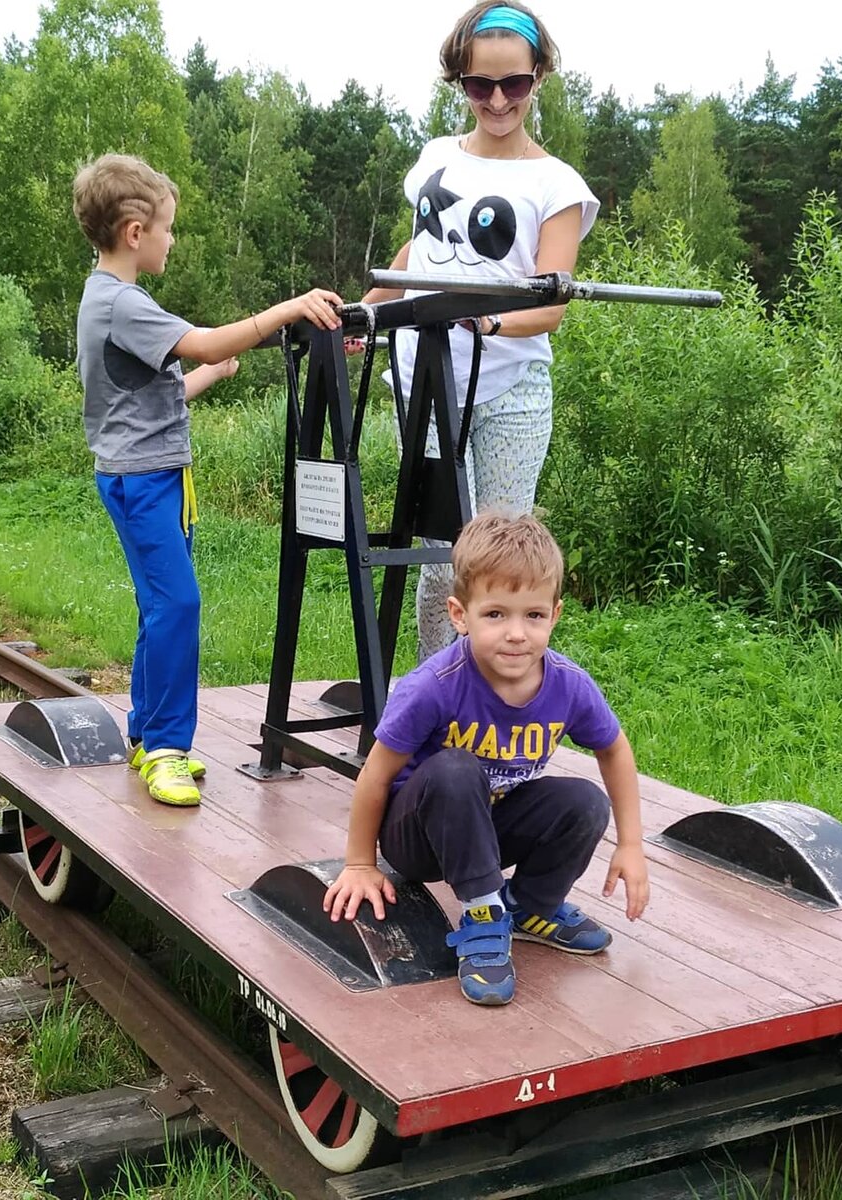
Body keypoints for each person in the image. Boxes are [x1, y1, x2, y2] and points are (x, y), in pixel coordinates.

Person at [72, 153, 342, 806]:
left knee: (160, 605)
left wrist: (212, 376)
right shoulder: (122, 303)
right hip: (143, 483)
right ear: (135, 232)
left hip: (153, 477)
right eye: (167, 228)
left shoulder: (107, 298)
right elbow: (212, 339)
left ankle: (147, 735)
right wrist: (286, 310)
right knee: (178, 604)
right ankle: (166, 747)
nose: (172, 240)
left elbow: (152, 399)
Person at [322, 511, 648, 1006]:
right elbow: (375, 774)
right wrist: (360, 863)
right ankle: (481, 913)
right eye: (496, 614)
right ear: (460, 615)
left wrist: (631, 844)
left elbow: (614, 749)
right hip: (419, 836)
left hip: (489, 827)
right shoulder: (435, 686)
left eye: (533, 615)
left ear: (555, 615)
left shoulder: (568, 686)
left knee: (585, 802)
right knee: (456, 769)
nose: (517, 633)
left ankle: (529, 907)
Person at [362, 2, 599, 663]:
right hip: (427, 380)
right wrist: (366, 311)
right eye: (479, 85)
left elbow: (550, 305)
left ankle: (499, 690)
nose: (497, 100)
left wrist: (488, 320)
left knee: (502, 559)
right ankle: (436, 687)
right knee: (441, 556)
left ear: (538, 77)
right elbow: (418, 253)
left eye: (513, 84)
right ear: (460, 82)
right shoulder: (436, 158)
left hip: (510, 389)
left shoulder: (557, 184)